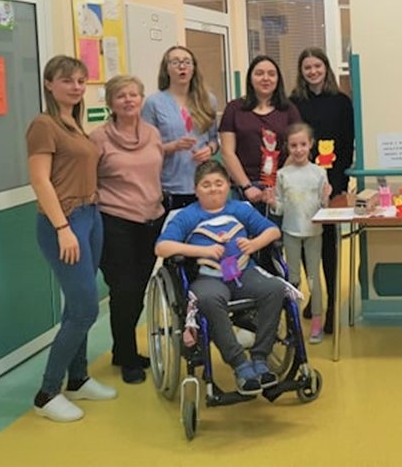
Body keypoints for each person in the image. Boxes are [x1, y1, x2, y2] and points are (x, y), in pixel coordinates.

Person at [26, 55, 116, 422]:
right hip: (64, 221)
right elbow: (40, 180)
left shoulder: (74, 124)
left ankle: (77, 379)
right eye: (67, 80)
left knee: (78, 305)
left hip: (90, 215)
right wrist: (63, 228)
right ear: (49, 84)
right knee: (85, 309)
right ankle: (47, 393)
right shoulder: (43, 125)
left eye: (80, 80)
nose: (76, 87)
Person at [155, 161, 283, 395]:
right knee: (209, 299)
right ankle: (239, 364)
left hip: (244, 272)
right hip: (209, 277)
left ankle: (260, 357)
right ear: (196, 190)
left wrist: (254, 244)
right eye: (206, 185)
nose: (213, 189)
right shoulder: (187, 216)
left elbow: (273, 231)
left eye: (218, 183)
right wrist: (202, 250)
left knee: (274, 288)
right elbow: (162, 247)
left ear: (228, 186)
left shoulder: (240, 209)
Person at [90, 75, 165, 384]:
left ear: (142, 99)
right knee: (124, 290)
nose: (129, 100)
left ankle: (122, 350)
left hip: (151, 220)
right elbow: (87, 178)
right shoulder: (98, 138)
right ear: (110, 103)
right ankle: (127, 355)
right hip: (115, 221)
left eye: (134, 94)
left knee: (138, 291)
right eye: (121, 95)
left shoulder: (152, 133)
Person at [291, 47, 354, 332]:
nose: (313, 71)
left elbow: (347, 143)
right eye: (307, 67)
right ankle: (315, 296)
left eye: (317, 66)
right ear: (301, 72)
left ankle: (331, 305)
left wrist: (338, 184)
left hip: (331, 183)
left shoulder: (341, 102)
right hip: (300, 183)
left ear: (326, 68)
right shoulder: (294, 103)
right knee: (306, 242)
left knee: (328, 244)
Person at [265, 123, 331, 343]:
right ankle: (294, 323)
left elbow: (323, 206)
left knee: (313, 278)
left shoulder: (319, 173)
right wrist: (273, 203)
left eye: (303, 144)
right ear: (287, 147)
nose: (299, 149)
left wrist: (326, 197)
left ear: (311, 144)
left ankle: (317, 322)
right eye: (294, 145)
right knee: (292, 279)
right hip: (290, 232)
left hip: (314, 232)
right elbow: (281, 208)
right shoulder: (282, 175)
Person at [141, 45, 218, 212]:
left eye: (187, 62)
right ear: (166, 69)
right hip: (169, 186)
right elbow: (145, 149)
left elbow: (214, 139)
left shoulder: (208, 100)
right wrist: (172, 146)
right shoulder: (154, 103)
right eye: (175, 62)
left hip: (203, 183)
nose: (182, 66)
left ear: (193, 68)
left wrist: (210, 149)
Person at [219, 55, 301, 209]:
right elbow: (227, 152)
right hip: (244, 189)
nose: (266, 78)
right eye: (259, 73)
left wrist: (278, 184)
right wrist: (246, 186)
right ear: (250, 78)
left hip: (281, 189)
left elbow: (297, 149)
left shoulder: (289, 109)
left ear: (278, 79)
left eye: (271, 74)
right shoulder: (234, 109)